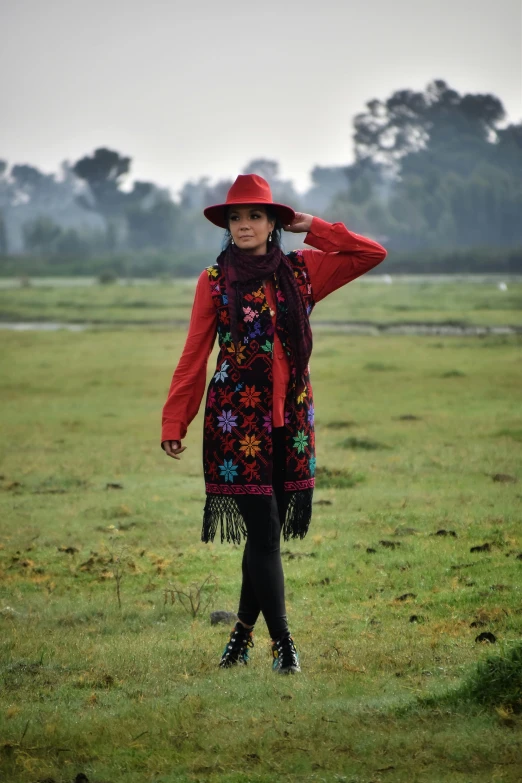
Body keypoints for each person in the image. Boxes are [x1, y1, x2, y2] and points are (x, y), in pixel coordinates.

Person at [161, 174, 387, 674]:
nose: (243, 225)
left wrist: (315, 227)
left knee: (264, 540)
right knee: (263, 534)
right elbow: (194, 354)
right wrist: (175, 418)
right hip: (235, 425)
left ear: (273, 224)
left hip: (292, 423)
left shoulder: (303, 271)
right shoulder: (214, 281)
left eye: (255, 216)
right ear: (227, 226)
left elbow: (371, 254)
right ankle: (284, 645)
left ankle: (240, 637)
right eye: (235, 218)